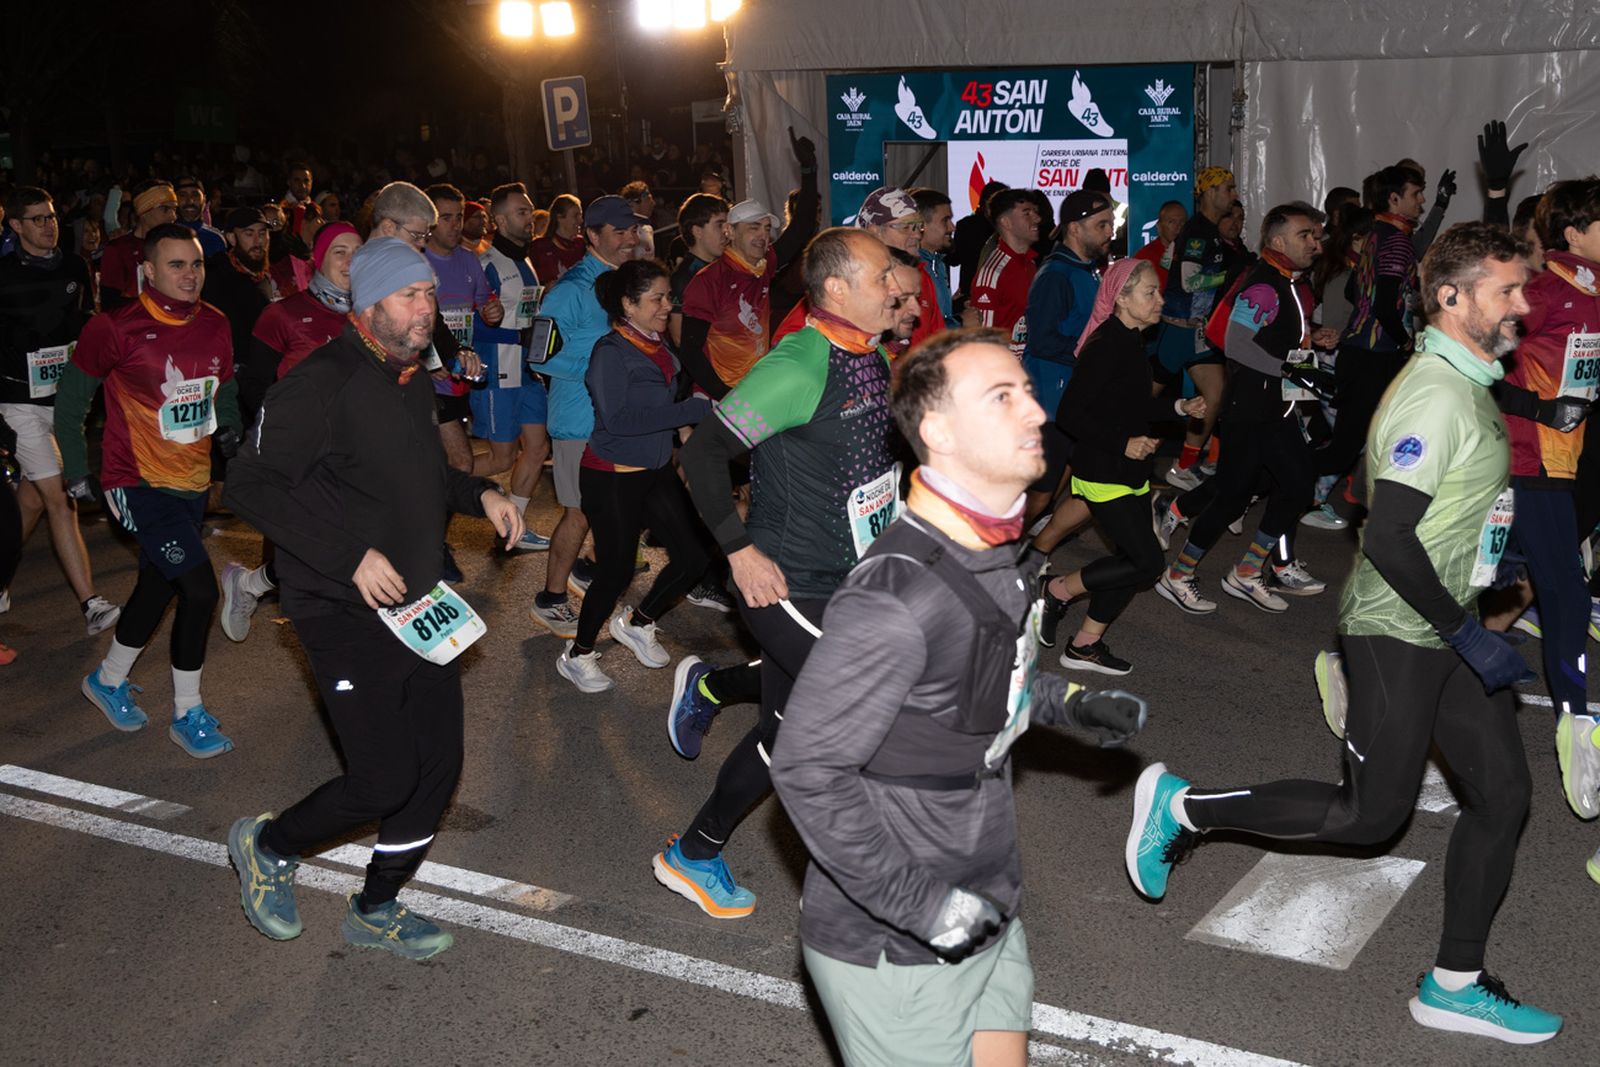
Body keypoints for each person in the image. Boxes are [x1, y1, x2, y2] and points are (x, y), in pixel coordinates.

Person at [1130, 222, 1561, 1045]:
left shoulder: (1466, 381)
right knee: (1370, 817)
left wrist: (1489, 570)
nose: (1522, 303)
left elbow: (1392, 492)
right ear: (1452, 297)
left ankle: (1454, 983)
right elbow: (1389, 534)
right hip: (1401, 629)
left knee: (1503, 797)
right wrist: (1464, 633)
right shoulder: (1436, 391)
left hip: (1446, 619)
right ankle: (1182, 808)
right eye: (1506, 289)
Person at [769, 329, 1148, 1067]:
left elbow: (975, 684)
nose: (1035, 413)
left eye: (1029, 392)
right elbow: (807, 769)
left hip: (985, 900)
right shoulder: (895, 595)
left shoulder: (992, 551)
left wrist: (1068, 702)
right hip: (900, 942)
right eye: (1001, 397)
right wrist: (924, 907)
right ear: (937, 432)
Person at [223, 236, 524, 961]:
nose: (427, 309)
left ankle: (377, 905)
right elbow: (249, 485)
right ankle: (268, 843)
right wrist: (349, 555)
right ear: (368, 305)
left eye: (429, 295)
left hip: (419, 602)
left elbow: (423, 478)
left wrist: (482, 491)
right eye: (409, 296)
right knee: (384, 777)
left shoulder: (408, 376)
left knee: (438, 767)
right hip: (339, 605)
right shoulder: (319, 382)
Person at [653, 228, 905, 915]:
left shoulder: (871, 355)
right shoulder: (798, 365)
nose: (897, 287)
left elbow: (869, 470)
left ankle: (694, 852)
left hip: (847, 578)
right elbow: (702, 455)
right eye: (883, 275)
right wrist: (737, 548)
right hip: (787, 580)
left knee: (787, 731)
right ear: (835, 290)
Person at [54, 223, 243, 757]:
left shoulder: (215, 322)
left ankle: (109, 680)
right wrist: (75, 470)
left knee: (160, 584)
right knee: (201, 590)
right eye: (177, 265)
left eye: (197, 264)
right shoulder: (114, 327)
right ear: (149, 271)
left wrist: (227, 424)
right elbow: (71, 406)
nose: (190, 275)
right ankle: (188, 712)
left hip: (191, 481)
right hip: (134, 481)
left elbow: (221, 387)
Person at [1156, 203, 1336, 615]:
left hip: (1277, 407)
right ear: (1277, 241)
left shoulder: (1288, 282)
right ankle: (1180, 574)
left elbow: (1278, 342)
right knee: (1233, 496)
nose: (1316, 242)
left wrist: (1308, 355)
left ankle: (1246, 570)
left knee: (1292, 485)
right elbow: (1237, 344)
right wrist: (1294, 369)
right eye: (1305, 235)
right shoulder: (1265, 284)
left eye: (1317, 235)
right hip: (1251, 409)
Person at [555, 259, 713, 692]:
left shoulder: (656, 343)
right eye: (657, 298)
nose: (667, 305)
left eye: (668, 296)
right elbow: (619, 419)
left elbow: (671, 394)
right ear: (628, 304)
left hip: (656, 469)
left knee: (694, 557)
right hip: (612, 477)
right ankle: (578, 654)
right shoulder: (611, 352)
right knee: (616, 570)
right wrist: (692, 410)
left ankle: (638, 622)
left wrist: (691, 413)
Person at [1046, 259, 1205, 673]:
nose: (1159, 300)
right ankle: (1057, 590)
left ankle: (1083, 645)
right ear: (1121, 298)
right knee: (1147, 562)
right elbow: (1070, 414)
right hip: (1103, 471)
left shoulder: (1132, 340)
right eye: (1149, 292)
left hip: (1130, 471)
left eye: (1158, 292)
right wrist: (1124, 442)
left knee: (1133, 560)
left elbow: (1130, 405)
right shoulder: (1107, 345)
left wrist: (1178, 406)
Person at [1500, 179, 1600, 831]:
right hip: (1525, 461)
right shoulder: (1543, 292)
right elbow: (1468, 349)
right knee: (1565, 590)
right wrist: (1537, 406)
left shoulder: (1591, 291)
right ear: (1574, 233)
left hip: (1561, 467)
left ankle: (1363, 665)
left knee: (1493, 583)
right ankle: (1578, 726)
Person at [217, 222, 364, 644]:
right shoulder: (282, 313)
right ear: (318, 259)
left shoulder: (374, 314)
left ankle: (251, 584)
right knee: (320, 548)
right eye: (340, 251)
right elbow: (254, 382)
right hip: (301, 453)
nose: (351, 261)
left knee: (348, 543)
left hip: (356, 450)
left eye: (358, 251)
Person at [0, 186, 120, 634]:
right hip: (17, 403)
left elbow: (81, 323)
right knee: (61, 496)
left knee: (30, 498)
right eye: (37, 219)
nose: (49, 225)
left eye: (51, 216)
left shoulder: (74, 266)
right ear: (15, 226)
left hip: (64, 399)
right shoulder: (3, 276)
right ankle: (91, 604)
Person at [528, 196, 641, 638]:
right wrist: (602, 374)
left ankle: (587, 568)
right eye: (619, 231)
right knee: (577, 513)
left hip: (615, 420)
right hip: (578, 419)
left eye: (633, 229)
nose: (630, 237)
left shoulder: (624, 282)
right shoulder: (572, 289)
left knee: (606, 509)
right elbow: (539, 358)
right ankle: (550, 599)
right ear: (592, 236)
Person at [678, 129, 819, 398]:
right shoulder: (708, 280)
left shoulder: (763, 266)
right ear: (730, 232)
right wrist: (726, 396)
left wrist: (809, 170)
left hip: (754, 390)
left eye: (767, 228)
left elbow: (801, 228)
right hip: (717, 397)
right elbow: (689, 351)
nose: (763, 235)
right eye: (754, 228)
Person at [1319, 164, 1427, 494]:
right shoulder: (1396, 240)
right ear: (1394, 199)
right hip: (1373, 356)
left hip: (1365, 352)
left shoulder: (1377, 235)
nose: (1421, 200)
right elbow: (1382, 304)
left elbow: (1357, 290)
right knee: (1343, 450)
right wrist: (1405, 339)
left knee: (1371, 441)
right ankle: (1271, 480)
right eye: (1416, 194)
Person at [1019, 189, 1113, 539]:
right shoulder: (1056, 275)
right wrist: (1093, 352)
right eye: (1102, 224)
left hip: (1074, 399)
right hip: (1050, 403)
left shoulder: (1087, 269)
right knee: (1041, 494)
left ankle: (1034, 550)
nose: (1110, 232)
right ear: (1075, 228)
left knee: (1082, 482)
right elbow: (1042, 341)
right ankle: (996, 553)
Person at [473, 181, 554, 552]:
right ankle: (432, 482)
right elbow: (469, 327)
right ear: (500, 220)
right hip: (498, 372)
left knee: (537, 448)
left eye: (529, 211)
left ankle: (512, 528)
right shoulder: (485, 263)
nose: (530, 219)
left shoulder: (526, 259)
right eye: (521, 213)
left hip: (528, 372)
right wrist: (509, 335)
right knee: (502, 457)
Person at [1157, 167, 1237, 491]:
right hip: (1176, 331)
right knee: (1141, 399)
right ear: (1209, 192)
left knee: (1216, 396)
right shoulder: (1197, 232)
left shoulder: (1211, 232)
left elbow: (1166, 262)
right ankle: (1114, 450)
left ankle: (1184, 466)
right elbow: (1189, 281)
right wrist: (1225, 278)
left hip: (1198, 331)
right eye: (1227, 188)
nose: (1233, 194)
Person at [203, 207, 279, 426]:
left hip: (260, 380)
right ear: (231, 238)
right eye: (248, 233)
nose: (258, 241)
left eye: (263, 233)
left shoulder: (260, 276)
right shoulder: (216, 277)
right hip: (230, 386)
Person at [968, 189, 1041, 356]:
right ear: (1006, 222)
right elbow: (983, 340)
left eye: (1035, 212)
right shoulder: (993, 272)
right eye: (1027, 213)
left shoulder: (1030, 264)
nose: (1037, 219)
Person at [100, 180, 177, 311]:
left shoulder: (178, 248)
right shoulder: (118, 249)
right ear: (144, 212)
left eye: (174, 209)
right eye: (165, 209)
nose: (173, 216)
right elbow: (110, 305)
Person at [667, 193, 729, 346]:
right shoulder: (683, 277)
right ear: (697, 231)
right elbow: (679, 338)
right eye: (719, 225)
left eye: (728, 225)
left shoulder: (724, 268)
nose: (726, 232)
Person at [911, 187, 959, 328]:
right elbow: (922, 329)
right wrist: (961, 322)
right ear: (921, 225)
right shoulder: (912, 269)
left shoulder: (938, 264)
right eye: (945, 220)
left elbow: (937, 317)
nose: (952, 227)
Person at [529, 194, 586, 282]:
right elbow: (529, 283)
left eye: (580, 215)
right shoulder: (539, 247)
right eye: (576, 216)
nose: (581, 220)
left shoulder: (582, 244)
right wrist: (545, 289)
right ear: (559, 217)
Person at [1133, 200, 1188, 290]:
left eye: (1183, 222)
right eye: (1172, 222)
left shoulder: (1192, 252)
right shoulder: (1146, 256)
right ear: (1159, 226)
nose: (1178, 227)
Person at [173, 176, 224, 258]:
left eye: (195, 195)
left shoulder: (215, 238)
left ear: (204, 200)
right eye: (182, 195)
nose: (189, 201)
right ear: (174, 200)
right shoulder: (163, 237)